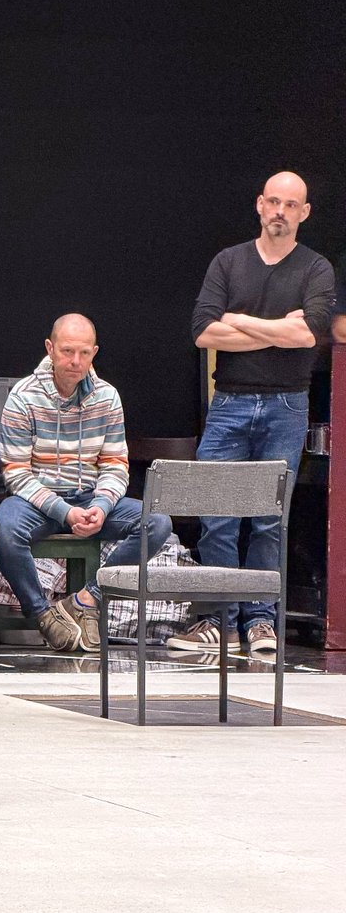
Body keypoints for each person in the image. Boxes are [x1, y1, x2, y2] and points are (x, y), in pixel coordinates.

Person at [167, 171, 335, 656]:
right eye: (274, 202)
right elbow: (203, 332)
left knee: (266, 518)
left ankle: (261, 622)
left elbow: (307, 336)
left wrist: (237, 320)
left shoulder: (315, 269)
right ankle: (221, 621)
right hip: (230, 402)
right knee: (216, 515)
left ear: (304, 213)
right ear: (260, 205)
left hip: (286, 404)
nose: (281, 211)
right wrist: (275, 327)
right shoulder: (228, 262)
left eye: (292, 204)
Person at [0, 314, 172, 651]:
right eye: (67, 351)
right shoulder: (24, 395)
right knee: (3, 526)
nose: (76, 362)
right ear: (50, 348)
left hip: (90, 497)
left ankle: (86, 599)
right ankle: (43, 615)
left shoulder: (107, 396)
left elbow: (116, 464)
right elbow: (15, 472)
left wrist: (102, 507)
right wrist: (65, 512)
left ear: (94, 353)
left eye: (85, 353)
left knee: (157, 522)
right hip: (40, 501)